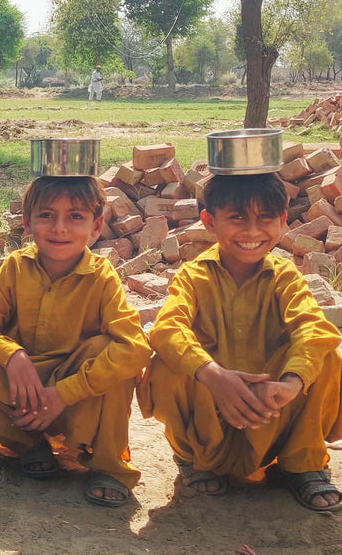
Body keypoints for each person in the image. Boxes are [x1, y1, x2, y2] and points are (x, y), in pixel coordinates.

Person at [139, 173, 342, 512]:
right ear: (209, 222)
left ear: (282, 220)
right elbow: (167, 328)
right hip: (212, 409)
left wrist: (291, 383)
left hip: (271, 407)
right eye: (237, 218)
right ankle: (195, 457)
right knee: (166, 361)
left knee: (326, 357)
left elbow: (311, 326)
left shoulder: (286, 276)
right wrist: (213, 375)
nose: (251, 232)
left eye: (265, 218)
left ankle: (302, 462)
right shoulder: (194, 275)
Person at [0, 175, 151, 507]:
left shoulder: (101, 277)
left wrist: (65, 393)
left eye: (75, 216)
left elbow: (136, 348)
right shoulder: (15, 268)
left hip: (76, 395)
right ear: (27, 222)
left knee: (109, 355)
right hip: (24, 392)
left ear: (96, 226)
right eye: (46, 215)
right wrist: (12, 356)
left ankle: (108, 467)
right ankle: (29, 444)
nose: (59, 228)